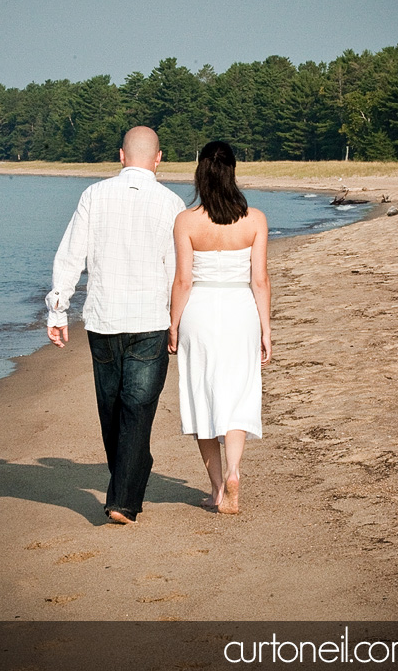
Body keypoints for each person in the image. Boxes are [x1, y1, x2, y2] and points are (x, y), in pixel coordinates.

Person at [46, 126, 185, 524]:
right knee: (135, 411)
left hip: (104, 319)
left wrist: (58, 309)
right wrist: (178, 323)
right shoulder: (172, 203)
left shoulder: (94, 195)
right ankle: (131, 477)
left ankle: (121, 500)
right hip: (150, 320)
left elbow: (71, 255)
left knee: (113, 410)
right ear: (159, 159)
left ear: (122, 155)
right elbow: (177, 273)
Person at [168, 140, 271, 515]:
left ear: (200, 172)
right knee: (239, 393)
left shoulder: (186, 220)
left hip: (201, 311)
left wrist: (174, 325)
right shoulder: (255, 219)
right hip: (240, 309)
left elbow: (183, 280)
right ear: (233, 171)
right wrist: (265, 329)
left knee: (203, 394)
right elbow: (259, 280)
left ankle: (215, 489)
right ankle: (234, 472)